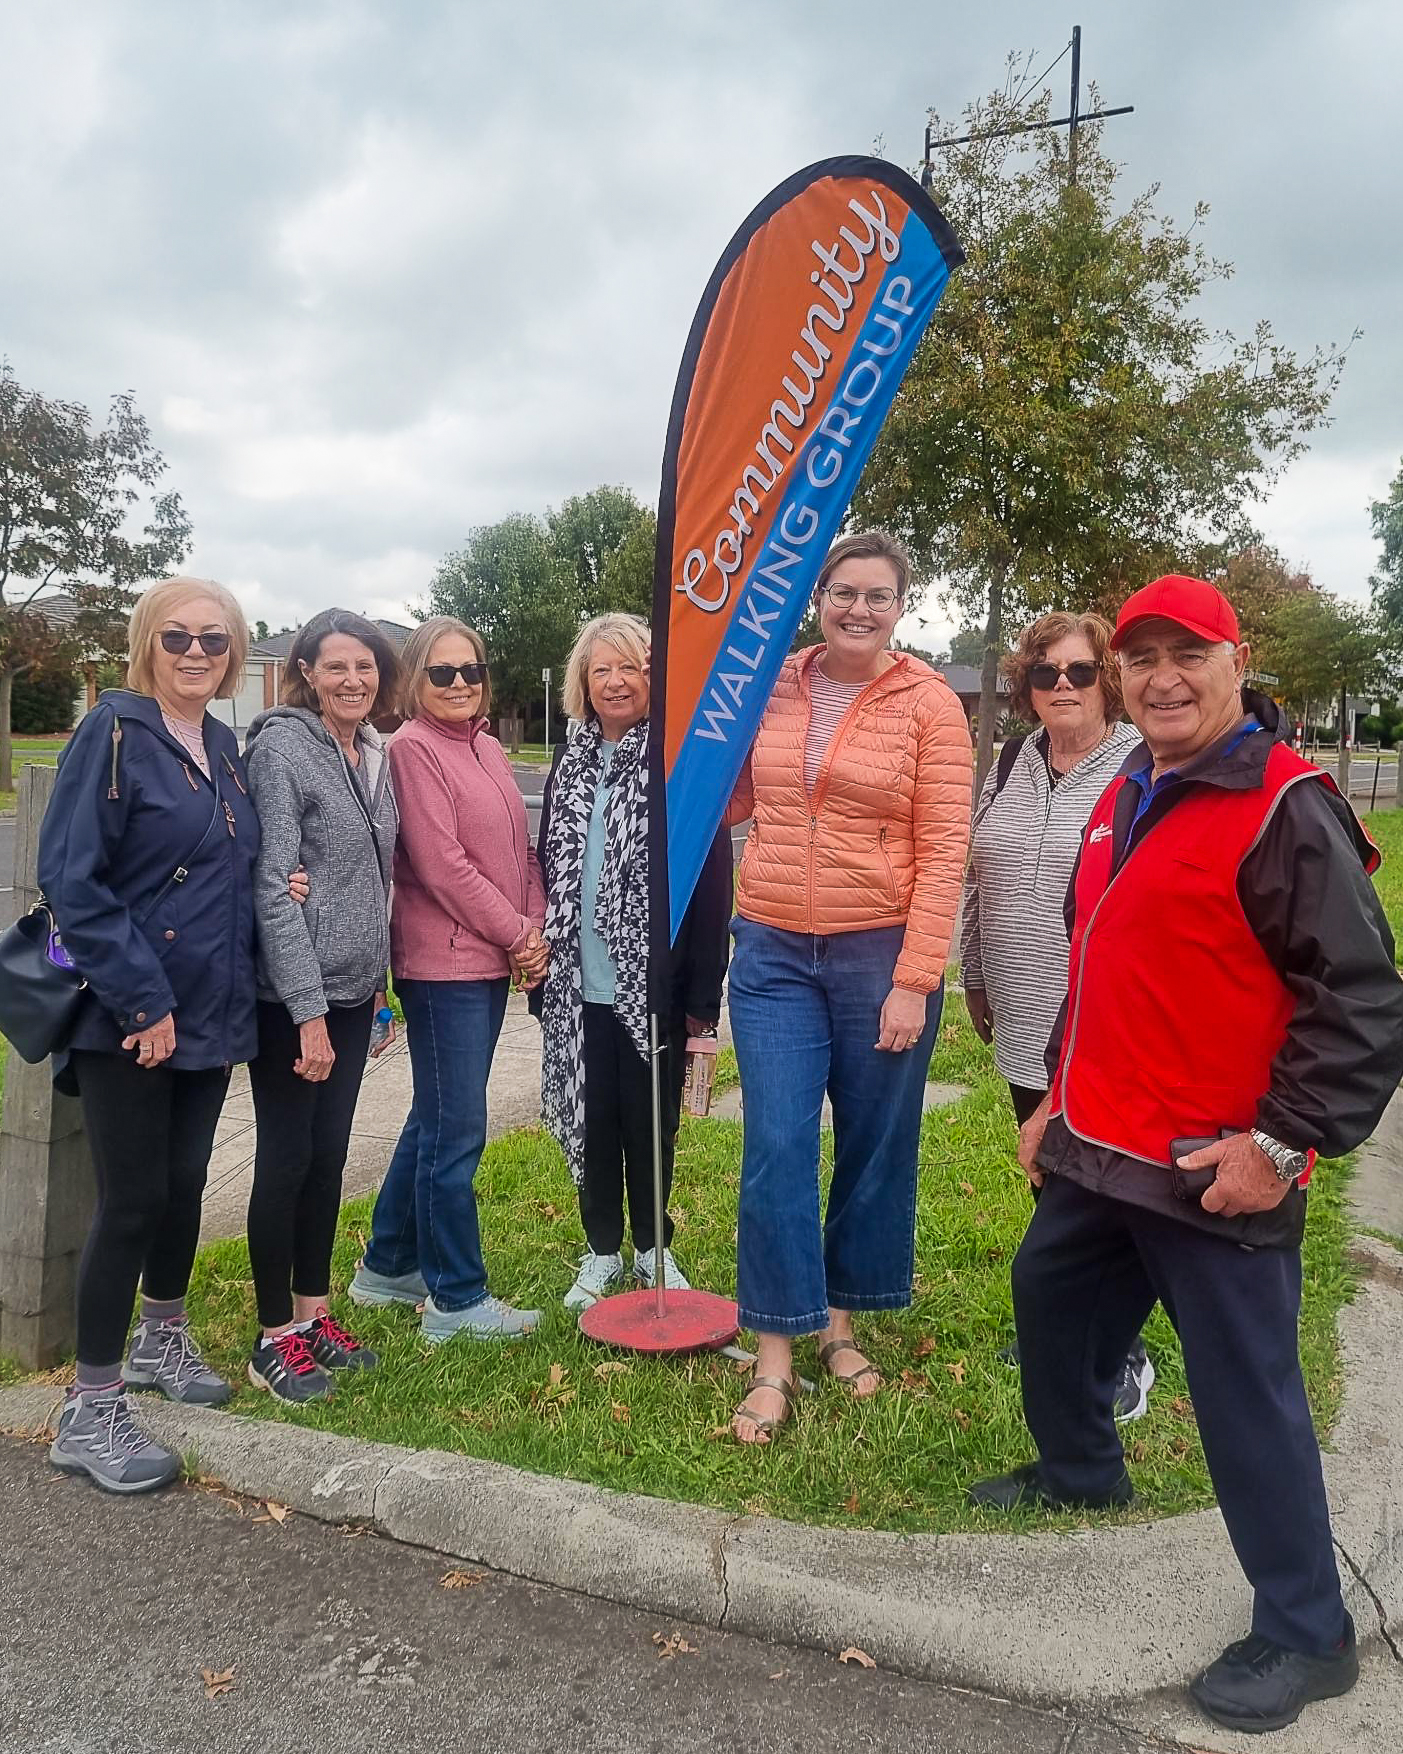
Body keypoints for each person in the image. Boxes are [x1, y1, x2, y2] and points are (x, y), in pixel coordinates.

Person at [970, 575, 1403, 1735]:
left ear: (1232, 658)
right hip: (1098, 1145)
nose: (1162, 676)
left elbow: (1361, 1006)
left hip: (1216, 1166)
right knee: (1046, 1297)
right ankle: (1079, 1469)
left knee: (1241, 1394)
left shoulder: (1282, 805)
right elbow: (1095, 956)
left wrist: (1277, 1144)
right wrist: (1052, 1098)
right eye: (1142, 656)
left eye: (1188, 654)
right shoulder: (1131, 789)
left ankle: (1309, 1632)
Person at [725, 531, 973, 1442]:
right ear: (817, 597)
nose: (857, 609)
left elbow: (946, 849)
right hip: (774, 952)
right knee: (777, 1147)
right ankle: (775, 1352)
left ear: (900, 610)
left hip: (878, 954)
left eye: (878, 596)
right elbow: (739, 800)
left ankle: (841, 1322)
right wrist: (699, 758)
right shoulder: (770, 685)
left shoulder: (930, 705)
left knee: (873, 1149)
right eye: (843, 592)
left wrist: (914, 980)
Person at [39, 578, 261, 1493]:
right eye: (178, 639)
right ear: (147, 645)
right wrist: (142, 1003)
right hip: (133, 1018)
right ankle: (88, 1412)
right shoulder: (114, 733)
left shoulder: (221, 743)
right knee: (129, 1201)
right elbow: (75, 883)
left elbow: (221, 864)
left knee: (183, 1185)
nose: (197, 652)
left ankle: (160, 1339)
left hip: (210, 1009)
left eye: (214, 639)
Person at [960, 612, 1152, 1419]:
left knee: (1102, 1193)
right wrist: (972, 976)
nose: (1062, 687)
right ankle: (1063, 1326)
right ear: (1025, 688)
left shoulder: (1139, 765)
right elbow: (980, 874)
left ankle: (1121, 1357)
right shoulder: (1012, 760)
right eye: (1045, 675)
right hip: (1020, 1012)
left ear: (1105, 678)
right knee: (1049, 1181)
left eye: (1079, 672)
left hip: (1101, 1026)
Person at [349, 616, 546, 1342]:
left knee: (433, 1119)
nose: (459, 683)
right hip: (444, 967)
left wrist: (534, 923)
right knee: (455, 1131)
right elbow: (441, 866)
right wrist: (518, 932)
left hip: (491, 957)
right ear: (414, 680)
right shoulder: (412, 750)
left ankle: (388, 1266)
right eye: (441, 673)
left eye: (470, 670)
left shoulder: (488, 746)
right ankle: (455, 1301)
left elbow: (519, 853)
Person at [533, 613, 730, 1310]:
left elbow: (710, 887)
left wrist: (703, 1000)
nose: (616, 682)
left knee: (651, 1127)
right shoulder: (570, 759)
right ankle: (601, 1250)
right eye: (601, 669)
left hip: (655, 991)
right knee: (594, 1121)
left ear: (657, 680)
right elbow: (546, 865)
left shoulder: (680, 764)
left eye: (633, 668)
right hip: (574, 987)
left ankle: (652, 1248)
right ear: (582, 684)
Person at [243, 610, 402, 1403]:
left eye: (365, 667)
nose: (352, 681)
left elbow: (371, 881)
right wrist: (305, 1010)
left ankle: (314, 1315)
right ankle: (272, 1336)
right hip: (292, 998)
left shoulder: (371, 751)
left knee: (329, 1157)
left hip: (351, 990)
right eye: (335, 667)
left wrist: (376, 996)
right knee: (285, 1158)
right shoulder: (281, 750)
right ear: (306, 671)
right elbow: (273, 887)